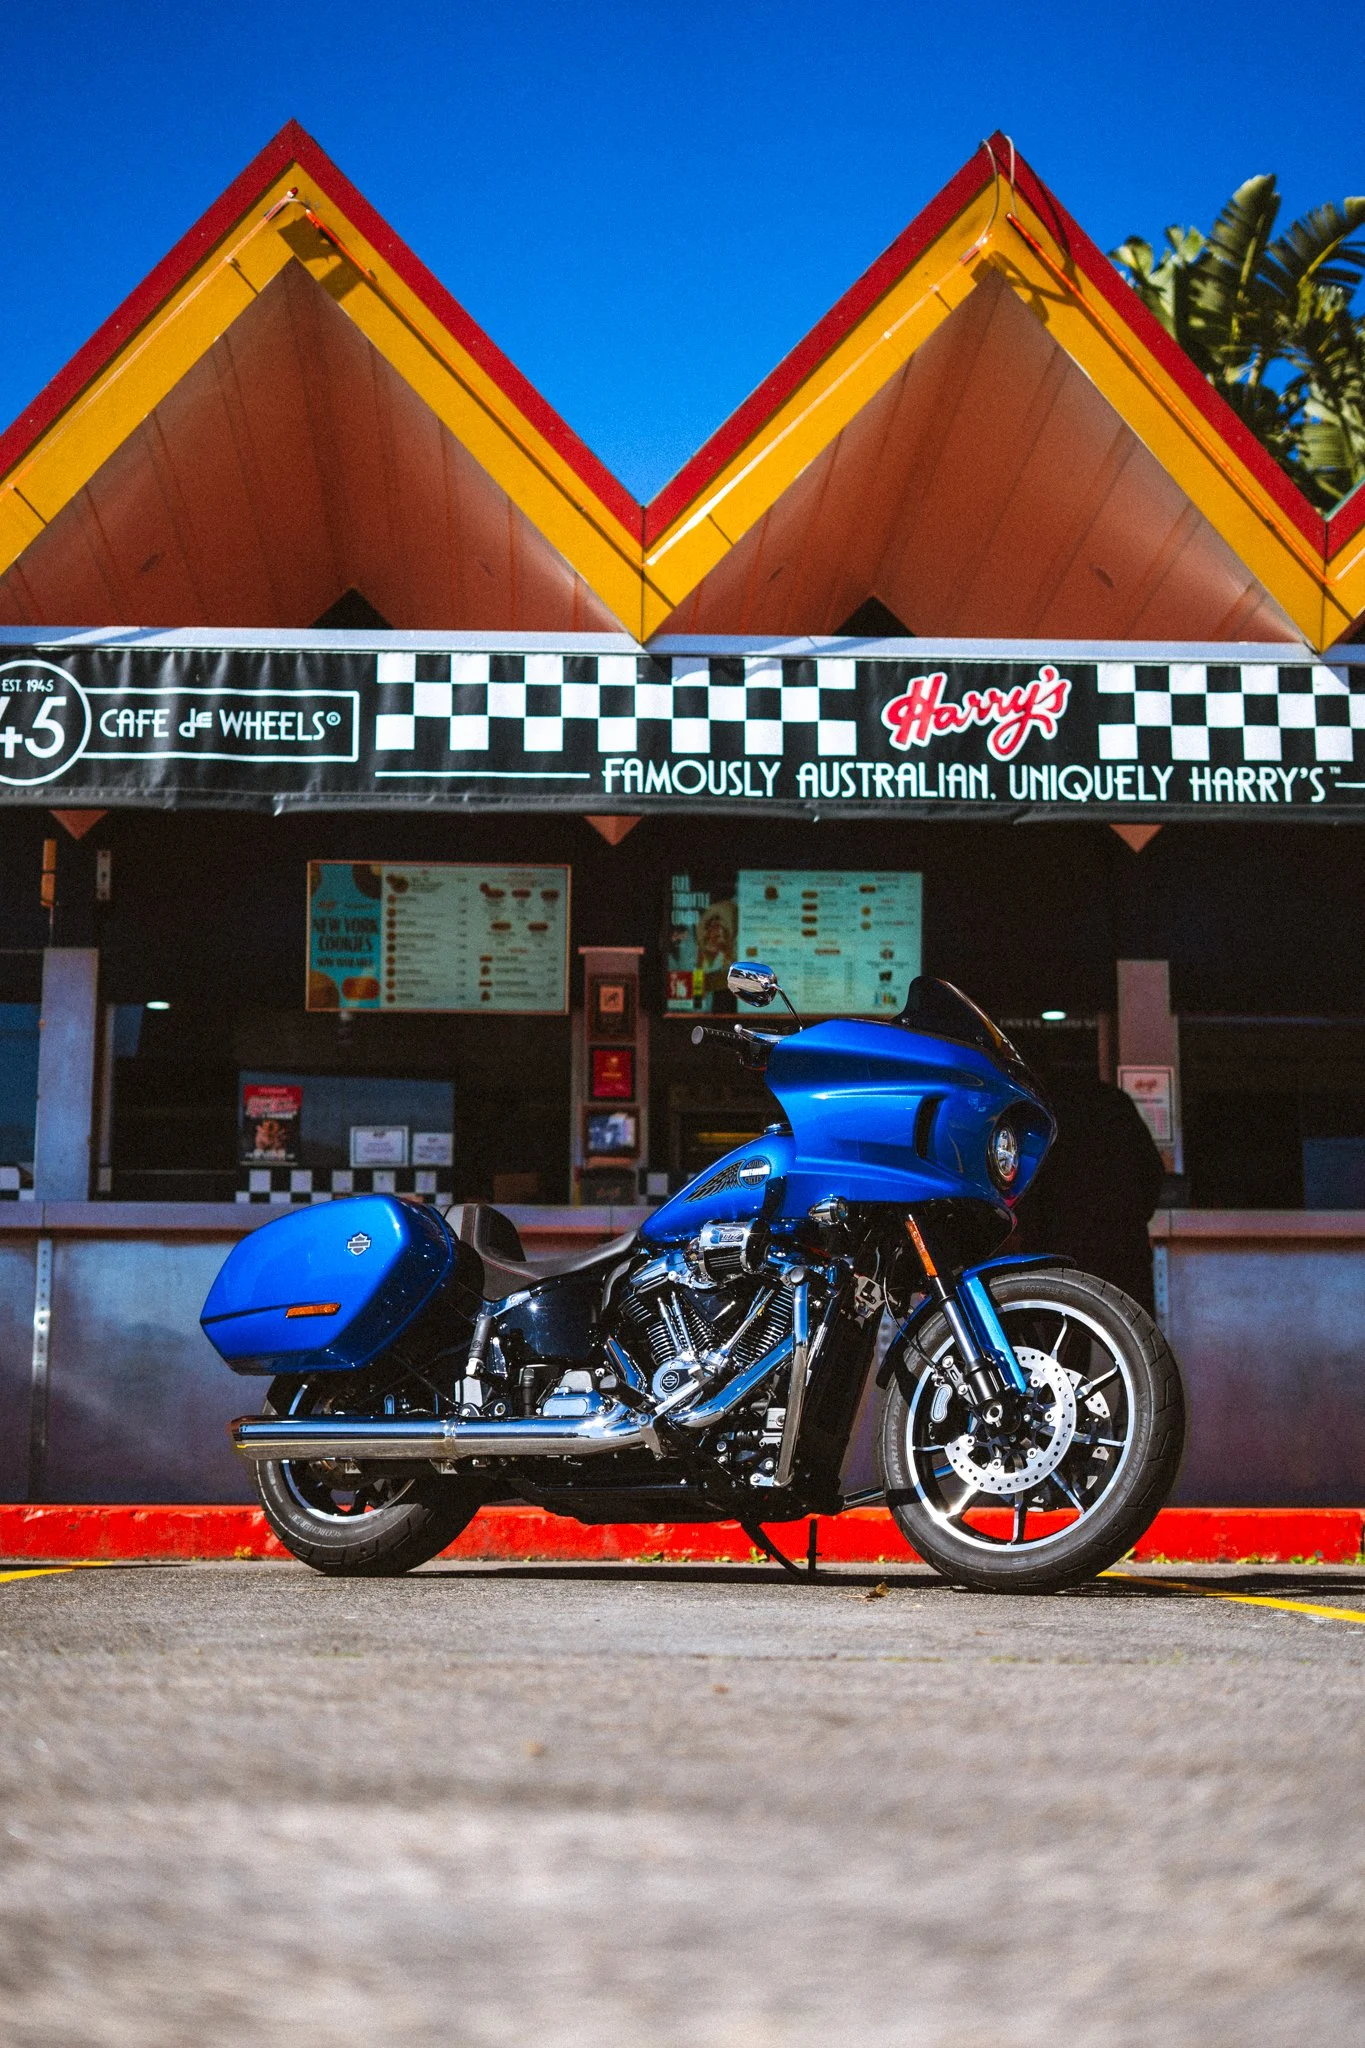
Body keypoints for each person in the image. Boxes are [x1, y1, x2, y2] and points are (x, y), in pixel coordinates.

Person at [1015, 1072, 1166, 1313]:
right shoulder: (1117, 1104)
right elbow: (1152, 1172)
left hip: (1063, 1242)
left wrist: (1034, 1240)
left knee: (1066, 1332)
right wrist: (1132, 1215)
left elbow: (1030, 1188)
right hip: (1123, 1239)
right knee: (1136, 1331)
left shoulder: (1043, 1112)